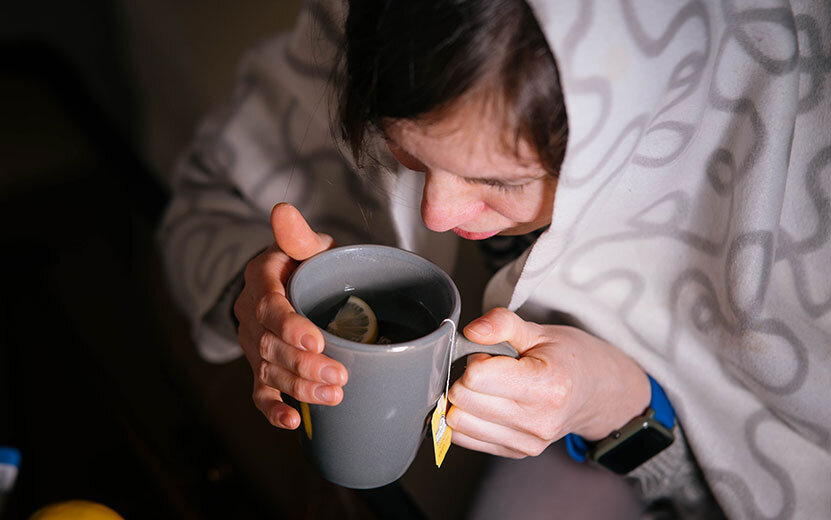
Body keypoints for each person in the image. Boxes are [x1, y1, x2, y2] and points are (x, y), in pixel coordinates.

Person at [159, 1, 831, 518]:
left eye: (503, 181)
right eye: (408, 155)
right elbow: (202, 204)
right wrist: (251, 296)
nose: (435, 214)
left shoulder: (785, 183)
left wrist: (617, 402)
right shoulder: (382, 24)